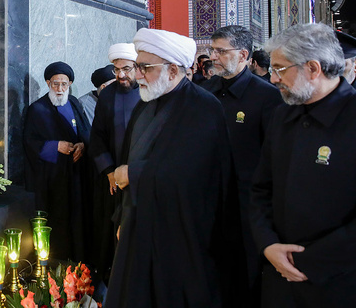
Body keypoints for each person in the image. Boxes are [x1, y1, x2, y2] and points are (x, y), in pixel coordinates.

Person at [104, 28, 245, 308]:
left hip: (183, 236)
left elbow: (197, 174)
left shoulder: (204, 107)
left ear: (171, 70)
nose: (138, 75)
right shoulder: (145, 106)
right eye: (138, 67)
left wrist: (135, 174)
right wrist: (122, 216)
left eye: (145, 67)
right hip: (138, 226)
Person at [251, 23, 356, 308]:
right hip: (278, 276)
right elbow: (260, 189)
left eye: (280, 70)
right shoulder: (282, 116)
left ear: (313, 68)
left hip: (338, 282)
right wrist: (268, 245)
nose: (273, 79)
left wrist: (307, 261)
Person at [202, 25, 283, 306]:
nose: (214, 56)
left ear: (243, 54)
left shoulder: (267, 97)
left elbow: (274, 158)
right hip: (208, 203)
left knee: (246, 280)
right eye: (212, 50)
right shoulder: (204, 92)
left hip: (247, 207)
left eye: (221, 51)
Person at [22, 61, 90, 262]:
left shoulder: (75, 103)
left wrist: (82, 145)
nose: (60, 89)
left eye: (64, 84)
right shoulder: (38, 109)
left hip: (76, 176)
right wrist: (55, 146)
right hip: (52, 179)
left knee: (78, 221)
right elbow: (29, 142)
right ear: (47, 83)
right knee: (58, 222)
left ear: (69, 84)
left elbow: (86, 132)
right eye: (55, 84)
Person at [87, 43, 140, 283]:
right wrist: (109, 171)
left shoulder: (150, 92)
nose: (121, 75)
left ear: (137, 67)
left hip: (142, 178)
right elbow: (96, 136)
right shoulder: (108, 94)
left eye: (126, 69)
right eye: (116, 69)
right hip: (112, 181)